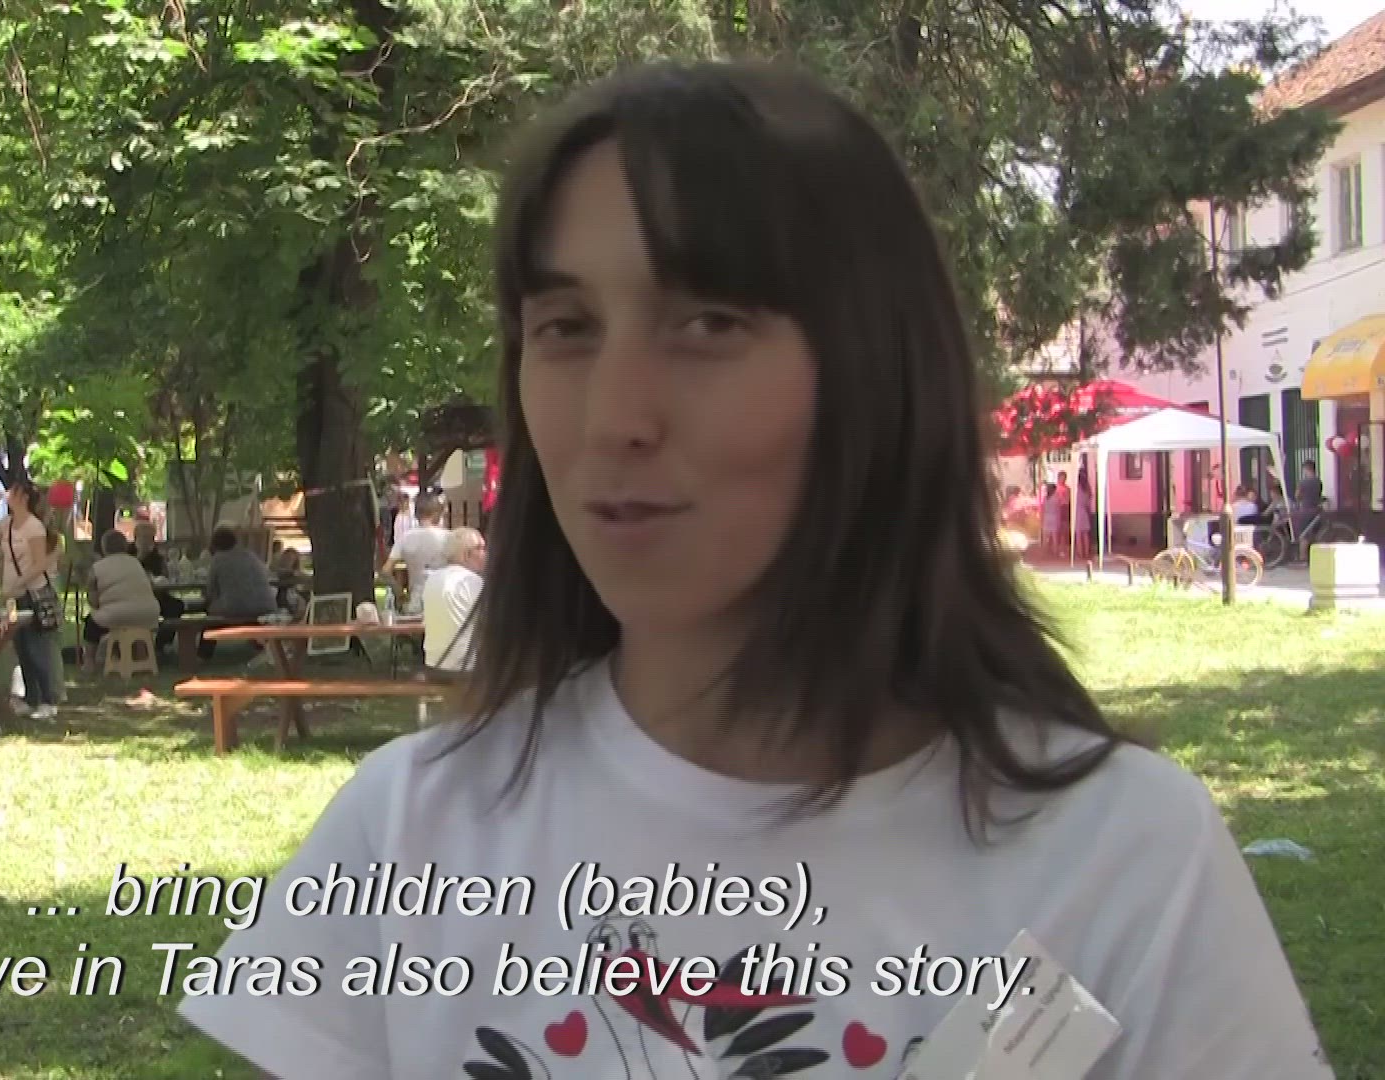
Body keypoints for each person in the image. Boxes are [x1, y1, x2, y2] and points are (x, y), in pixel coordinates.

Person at [176, 61, 1329, 1079]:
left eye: (709, 324)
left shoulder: (1123, 864)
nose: (615, 416)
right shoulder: (407, 837)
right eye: (565, 328)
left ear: (876, 372)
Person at [0, 480, 60, 720]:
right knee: (21, 648)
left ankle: (48, 700)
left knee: (36, 648)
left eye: (12, 492)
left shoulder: (34, 527)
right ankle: (30, 698)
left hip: (32, 593)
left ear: (23, 497)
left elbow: (40, 563)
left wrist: (19, 583)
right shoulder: (7, 523)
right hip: (13, 596)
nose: (7, 495)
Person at [82, 531, 163, 671]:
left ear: (104, 548)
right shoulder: (136, 563)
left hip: (117, 615)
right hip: (148, 613)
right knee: (137, 626)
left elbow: (94, 602)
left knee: (91, 622)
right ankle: (142, 659)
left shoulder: (97, 567)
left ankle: (89, 662)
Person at [421, 527, 486, 679]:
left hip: (433, 667)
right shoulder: (472, 581)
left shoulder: (431, 579)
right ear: (466, 555)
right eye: (480, 548)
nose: (485, 553)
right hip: (465, 669)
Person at [380, 493, 452, 614]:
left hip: (416, 602)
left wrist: (400, 594)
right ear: (438, 514)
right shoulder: (450, 538)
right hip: (445, 600)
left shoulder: (405, 538)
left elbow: (386, 571)